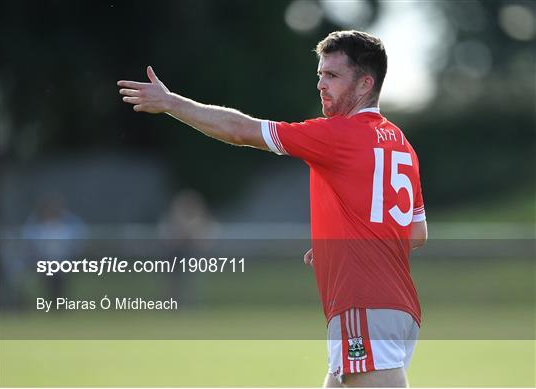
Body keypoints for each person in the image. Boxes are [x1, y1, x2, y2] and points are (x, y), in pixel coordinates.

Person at [118, 30, 427, 388]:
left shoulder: (338, 134)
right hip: (398, 308)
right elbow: (416, 234)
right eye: (319, 75)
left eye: (333, 76)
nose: (321, 85)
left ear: (365, 84)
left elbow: (241, 131)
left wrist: (172, 103)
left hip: (365, 305)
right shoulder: (402, 145)